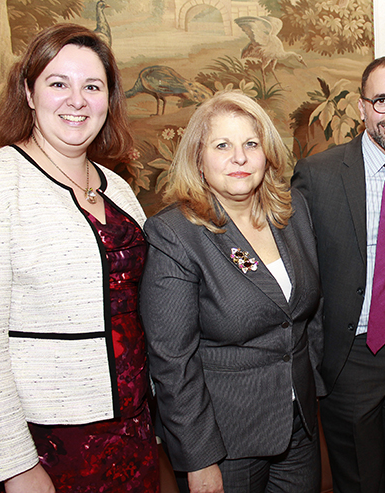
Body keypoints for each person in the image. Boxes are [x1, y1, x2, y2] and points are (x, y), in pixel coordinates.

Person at [0, 24, 158, 492]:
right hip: (45, 444)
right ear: (29, 93)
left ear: (108, 100)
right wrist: (14, 467)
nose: (76, 100)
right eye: (58, 83)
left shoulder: (121, 190)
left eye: (92, 86)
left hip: (133, 430)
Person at [139, 91, 324, 493]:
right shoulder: (176, 234)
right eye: (222, 145)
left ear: (266, 154)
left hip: (299, 428)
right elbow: (172, 361)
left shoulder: (293, 214)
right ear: (198, 158)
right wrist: (199, 457)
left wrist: (314, 388)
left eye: (250, 144)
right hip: (226, 440)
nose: (239, 158)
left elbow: (308, 315)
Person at [292, 56, 385, 493]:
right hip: (349, 353)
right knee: (359, 478)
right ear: (362, 107)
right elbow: (299, 270)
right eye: (383, 100)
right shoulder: (319, 175)